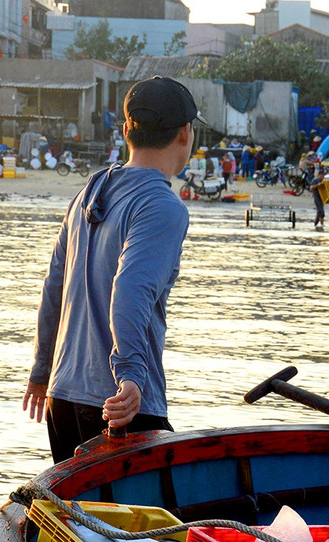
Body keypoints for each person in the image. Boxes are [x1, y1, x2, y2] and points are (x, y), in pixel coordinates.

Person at [23, 76, 202, 463]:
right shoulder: (162, 206)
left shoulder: (89, 191)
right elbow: (131, 292)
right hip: (121, 405)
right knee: (136, 524)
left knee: (82, 524)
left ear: (126, 131)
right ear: (186, 134)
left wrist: (41, 371)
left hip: (62, 396)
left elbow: (54, 286)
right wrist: (131, 377)